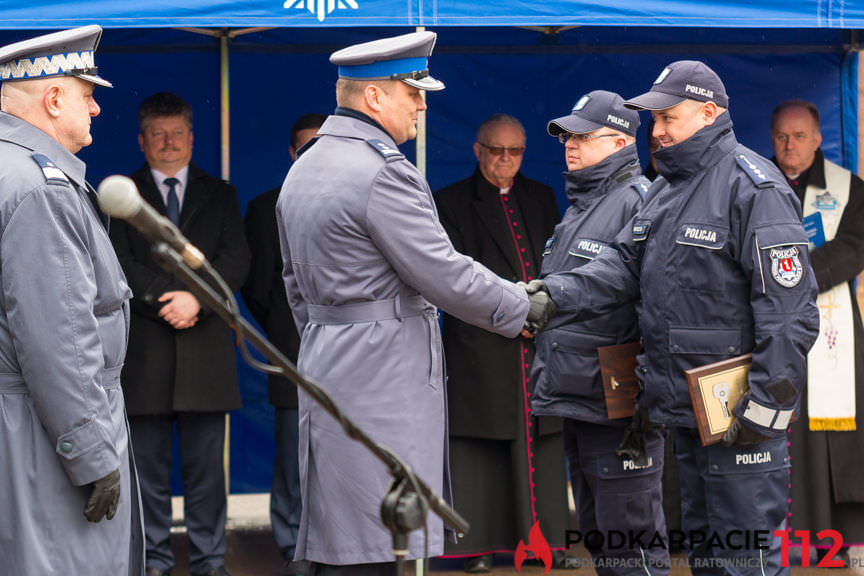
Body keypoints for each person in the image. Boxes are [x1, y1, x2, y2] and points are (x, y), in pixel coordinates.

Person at [527, 60, 819, 576]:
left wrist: (764, 408)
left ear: (709, 113)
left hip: (741, 419)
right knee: (707, 560)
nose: (657, 132)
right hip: (686, 413)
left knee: (744, 562)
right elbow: (618, 268)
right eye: (654, 121)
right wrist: (553, 293)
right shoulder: (665, 191)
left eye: (668, 118)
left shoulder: (754, 187)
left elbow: (790, 312)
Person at [276, 31, 548, 575]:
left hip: (327, 360)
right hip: (385, 379)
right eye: (412, 92)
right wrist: (520, 306)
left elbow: (295, 288)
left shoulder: (305, 166)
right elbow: (442, 272)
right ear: (374, 97)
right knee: (379, 543)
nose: (423, 105)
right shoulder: (383, 171)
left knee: (342, 539)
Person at [0, 25, 144, 575]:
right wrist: (90, 451)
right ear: (52, 98)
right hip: (45, 432)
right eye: (88, 95)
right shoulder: (39, 187)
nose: (97, 110)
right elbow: (58, 337)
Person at [110, 92, 251, 576]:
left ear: (192, 138)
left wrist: (197, 300)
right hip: (145, 356)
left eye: (176, 133)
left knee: (207, 475)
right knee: (146, 475)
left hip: (206, 354)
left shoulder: (222, 194)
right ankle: (154, 560)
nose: (168, 143)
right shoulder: (120, 197)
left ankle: (211, 561)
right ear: (142, 140)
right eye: (157, 134)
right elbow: (117, 263)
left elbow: (237, 260)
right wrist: (162, 300)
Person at [530, 90, 670, 575]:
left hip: (619, 405)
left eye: (582, 136)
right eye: (566, 135)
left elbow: (643, 296)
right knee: (603, 540)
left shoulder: (638, 201)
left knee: (631, 548)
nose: (569, 144)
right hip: (580, 396)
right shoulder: (582, 206)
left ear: (617, 141)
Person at [433, 114, 566, 573]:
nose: (506, 160)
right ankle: (478, 549)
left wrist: (543, 309)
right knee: (482, 450)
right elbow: (451, 280)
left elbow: (558, 262)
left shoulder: (541, 197)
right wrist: (511, 315)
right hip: (481, 346)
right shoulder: (450, 202)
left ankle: (545, 544)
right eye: (497, 151)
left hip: (538, 345)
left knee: (543, 446)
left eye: (515, 151)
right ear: (478, 150)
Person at [770, 100, 864, 564]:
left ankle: (839, 537)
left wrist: (796, 274)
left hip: (832, 328)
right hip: (769, 326)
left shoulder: (849, 189)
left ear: (819, 137)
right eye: (783, 137)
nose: (791, 145)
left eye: (800, 136)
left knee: (830, 433)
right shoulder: (753, 183)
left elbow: (855, 246)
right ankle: (784, 536)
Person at [243, 112, 325, 576]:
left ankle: (334, 546)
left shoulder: (353, 197)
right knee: (294, 459)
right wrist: (285, 329)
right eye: (303, 147)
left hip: (351, 358)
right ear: (291, 153)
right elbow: (256, 288)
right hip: (291, 352)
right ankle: (293, 546)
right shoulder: (263, 207)